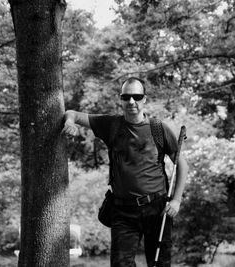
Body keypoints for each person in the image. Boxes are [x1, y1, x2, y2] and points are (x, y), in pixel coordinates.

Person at [63, 77, 188, 267]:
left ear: (144, 99)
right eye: (126, 97)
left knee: (160, 265)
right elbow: (72, 113)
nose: (131, 101)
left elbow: (182, 165)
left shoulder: (158, 128)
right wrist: (69, 123)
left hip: (157, 209)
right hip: (122, 212)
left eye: (136, 96)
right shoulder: (111, 125)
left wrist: (177, 200)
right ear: (121, 99)